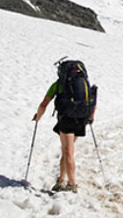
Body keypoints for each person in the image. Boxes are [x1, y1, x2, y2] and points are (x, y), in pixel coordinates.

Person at [33, 63, 96, 193]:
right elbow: (93, 100)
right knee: (67, 150)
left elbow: (44, 104)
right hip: (81, 118)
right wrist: (91, 116)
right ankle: (61, 180)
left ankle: (71, 184)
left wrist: (38, 116)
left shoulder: (58, 84)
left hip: (67, 119)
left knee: (68, 152)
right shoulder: (84, 82)